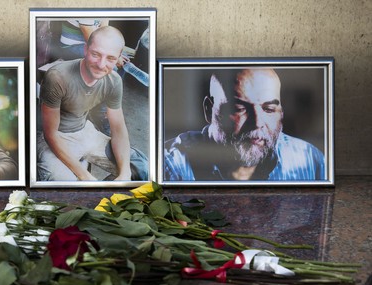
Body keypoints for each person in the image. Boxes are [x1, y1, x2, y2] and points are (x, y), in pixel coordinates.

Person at [164, 68, 325, 181]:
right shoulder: (170, 165)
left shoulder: (309, 159)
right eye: (239, 108)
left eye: (269, 109)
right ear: (208, 110)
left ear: (281, 113)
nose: (257, 123)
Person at [37, 26, 148, 181]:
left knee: (140, 166)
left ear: (118, 58)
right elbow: (51, 134)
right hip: (57, 138)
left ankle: (106, 199)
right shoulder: (58, 77)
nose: (101, 64)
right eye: (96, 54)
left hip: (85, 132)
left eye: (110, 58)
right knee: (65, 187)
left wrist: (124, 174)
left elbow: (118, 129)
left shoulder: (114, 81)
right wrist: (86, 177)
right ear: (85, 49)